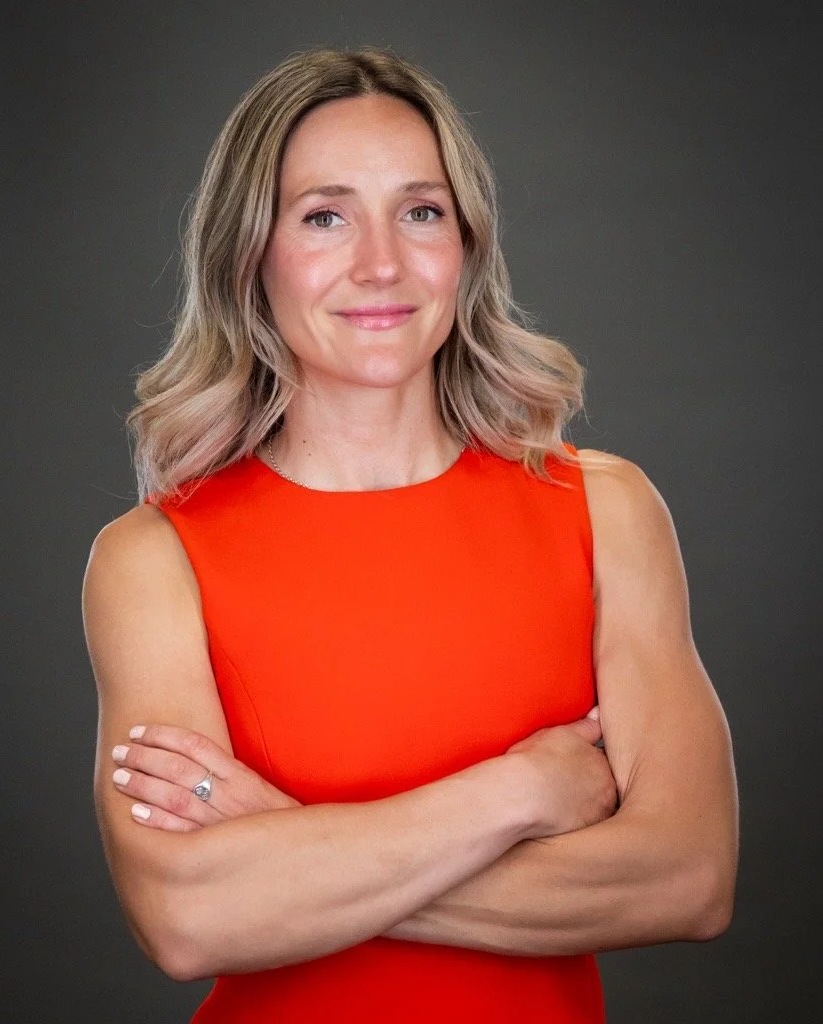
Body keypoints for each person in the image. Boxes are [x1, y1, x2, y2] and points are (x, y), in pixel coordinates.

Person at [82, 46, 738, 1023]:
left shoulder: (605, 512)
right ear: (249, 253)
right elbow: (189, 917)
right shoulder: (152, 559)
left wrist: (297, 850)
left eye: (421, 211)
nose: (381, 263)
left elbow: (688, 880)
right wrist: (517, 792)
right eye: (325, 215)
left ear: (467, 244)